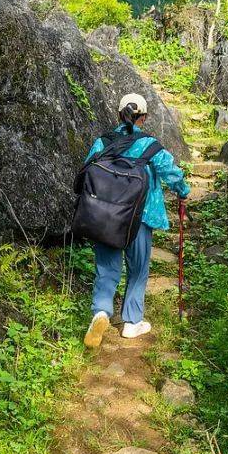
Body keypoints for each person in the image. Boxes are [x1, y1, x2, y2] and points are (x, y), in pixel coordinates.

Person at [83, 93, 190, 348]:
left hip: (106, 216)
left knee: (107, 269)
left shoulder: (103, 142)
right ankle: (132, 322)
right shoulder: (149, 145)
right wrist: (183, 192)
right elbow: (171, 172)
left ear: (120, 114)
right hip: (141, 215)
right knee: (138, 269)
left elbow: (87, 170)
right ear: (142, 117)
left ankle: (100, 311)